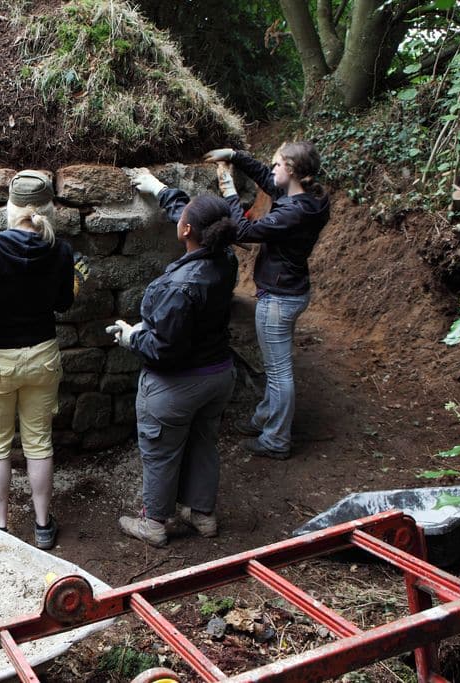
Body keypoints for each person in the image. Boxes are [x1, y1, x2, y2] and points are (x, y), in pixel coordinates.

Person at [109, 168, 239, 547]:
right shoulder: (225, 258)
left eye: (184, 217)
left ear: (186, 231)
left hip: (176, 385)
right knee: (202, 441)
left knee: (161, 452)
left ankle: (154, 522)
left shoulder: (179, 287)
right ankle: (203, 515)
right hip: (219, 375)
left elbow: (162, 349)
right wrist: (159, 189)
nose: (180, 217)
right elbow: (192, 214)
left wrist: (132, 337)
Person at [0, 170, 79, 550]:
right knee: (39, 442)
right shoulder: (60, 250)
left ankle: (0, 525)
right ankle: (43, 527)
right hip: (42, 355)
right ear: (47, 210)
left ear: (9, 208)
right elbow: (62, 303)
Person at [204, 142, 330, 460]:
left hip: (278, 298)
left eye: (276, 164)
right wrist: (234, 156)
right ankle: (264, 419)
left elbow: (244, 230)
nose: (271, 169)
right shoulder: (308, 198)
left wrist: (229, 191)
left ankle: (275, 439)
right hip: (291, 290)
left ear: (290, 169)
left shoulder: (293, 212)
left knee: (278, 372)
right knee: (278, 367)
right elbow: (266, 177)